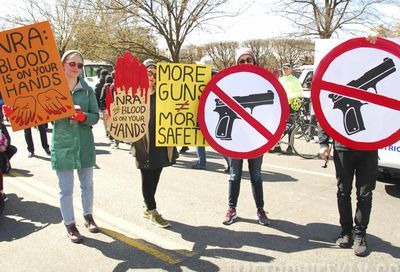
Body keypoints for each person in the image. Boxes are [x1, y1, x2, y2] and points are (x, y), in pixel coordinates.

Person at [318, 33, 379, 257]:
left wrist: (374, 43)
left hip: (369, 147)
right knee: (343, 192)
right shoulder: (338, 80)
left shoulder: (367, 67)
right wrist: (324, 142)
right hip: (344, 147)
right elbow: (325, 114)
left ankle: (360, 233)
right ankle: (346, 232)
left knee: (365, 194)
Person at [51, 50, 100, 243]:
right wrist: (15, 111)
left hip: (84, 143)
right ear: (63, 64)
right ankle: (70, 225)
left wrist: (83, 117)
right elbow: (36, 112)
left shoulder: (88, 90)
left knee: (87, 184)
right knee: (65, 189)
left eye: (80, 65)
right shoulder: (52, 89)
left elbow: (95, 116)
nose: (76, 68)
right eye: (72, 64)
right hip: (62, 143)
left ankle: (88, 217)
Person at [222, 48, 270, 226]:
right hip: (235, 138)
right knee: (234, 175)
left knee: (256, 176)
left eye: (248, 60)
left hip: (256, 139)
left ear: (254, 61)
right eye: (241, 61)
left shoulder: (262, 82)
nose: (245, 63)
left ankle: (260, 209)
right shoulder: (229, 82)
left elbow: (270, 112)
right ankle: (231, 209)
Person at [132, 59, 178, 228]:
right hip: (142, 143)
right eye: (148, 73)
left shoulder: (165, 94)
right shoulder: (135, 95)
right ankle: (152, 211)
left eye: (155, 73)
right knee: (146, 176)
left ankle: (147, 207)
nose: (151, 76)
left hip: (161, 143)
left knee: (155, 176)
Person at [271, 63, 304, 154]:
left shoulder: (295, 80)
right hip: (281, 106)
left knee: (291, 127)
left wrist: (287, 96)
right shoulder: (280, 80)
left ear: (291, 70)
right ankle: (277, 146)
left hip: (290, 106)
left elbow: (300, 93)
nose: (284, 70)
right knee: (279, 126)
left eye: (286, 68)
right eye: (283, 68)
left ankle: (290, 146)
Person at [191, 55, 214, 170]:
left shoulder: (198, 78)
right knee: (216, 141)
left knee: (199, 140)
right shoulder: (216, 77)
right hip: (213, 114)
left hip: (203, 113)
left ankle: (201, 162)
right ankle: (230, 164)